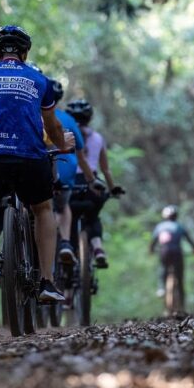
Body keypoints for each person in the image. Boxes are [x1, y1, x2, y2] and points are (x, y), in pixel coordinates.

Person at [0, 25, 74, 302]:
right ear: (24, 53)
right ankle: (47, 282)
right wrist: (62, 146)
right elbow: (52, 124)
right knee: (43, 208)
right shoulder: (39, 81)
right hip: (31, 159)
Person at [66, 99, 123, 268]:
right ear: (89, 118)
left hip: (69, 183)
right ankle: (97, 248)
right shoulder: (98, 138)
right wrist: (113, 189)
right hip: (93, 185)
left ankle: (67, 252)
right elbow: (106, 170)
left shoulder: (64, 136)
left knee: (65, 217)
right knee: (93, 218)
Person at [48, 79, 92, 266]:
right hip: (64, 176)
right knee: (62, 206)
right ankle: (65, 242)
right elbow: (81, 156)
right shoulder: (68, 120)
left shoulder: (32, 115)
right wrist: (91, 179)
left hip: (37, 173)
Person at [149, 205, 194, 309]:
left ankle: (161, 288)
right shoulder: (179, 226)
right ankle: (181, 303)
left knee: (163, 268)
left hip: (164, 252)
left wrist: (151, 250)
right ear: (176, 216)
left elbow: (153, 242)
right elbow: (189, 240)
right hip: (177, 253)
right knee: (179, 278)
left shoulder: (160, 227)